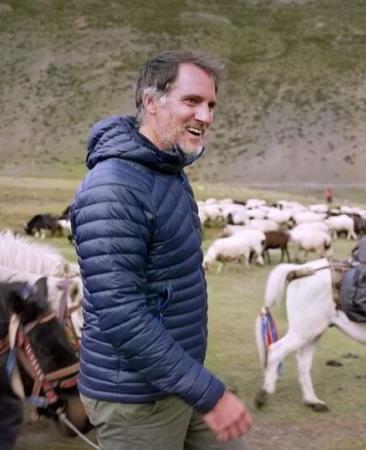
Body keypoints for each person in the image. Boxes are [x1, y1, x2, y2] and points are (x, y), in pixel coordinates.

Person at [70, 50, 251, 449]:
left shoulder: (165, 169)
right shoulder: (113, 189)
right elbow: (122, 314)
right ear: (151, 102)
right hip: (134, 397)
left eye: (211, 105)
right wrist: (211, 394)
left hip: (174, 376)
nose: (206, 116)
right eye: (192, 101)